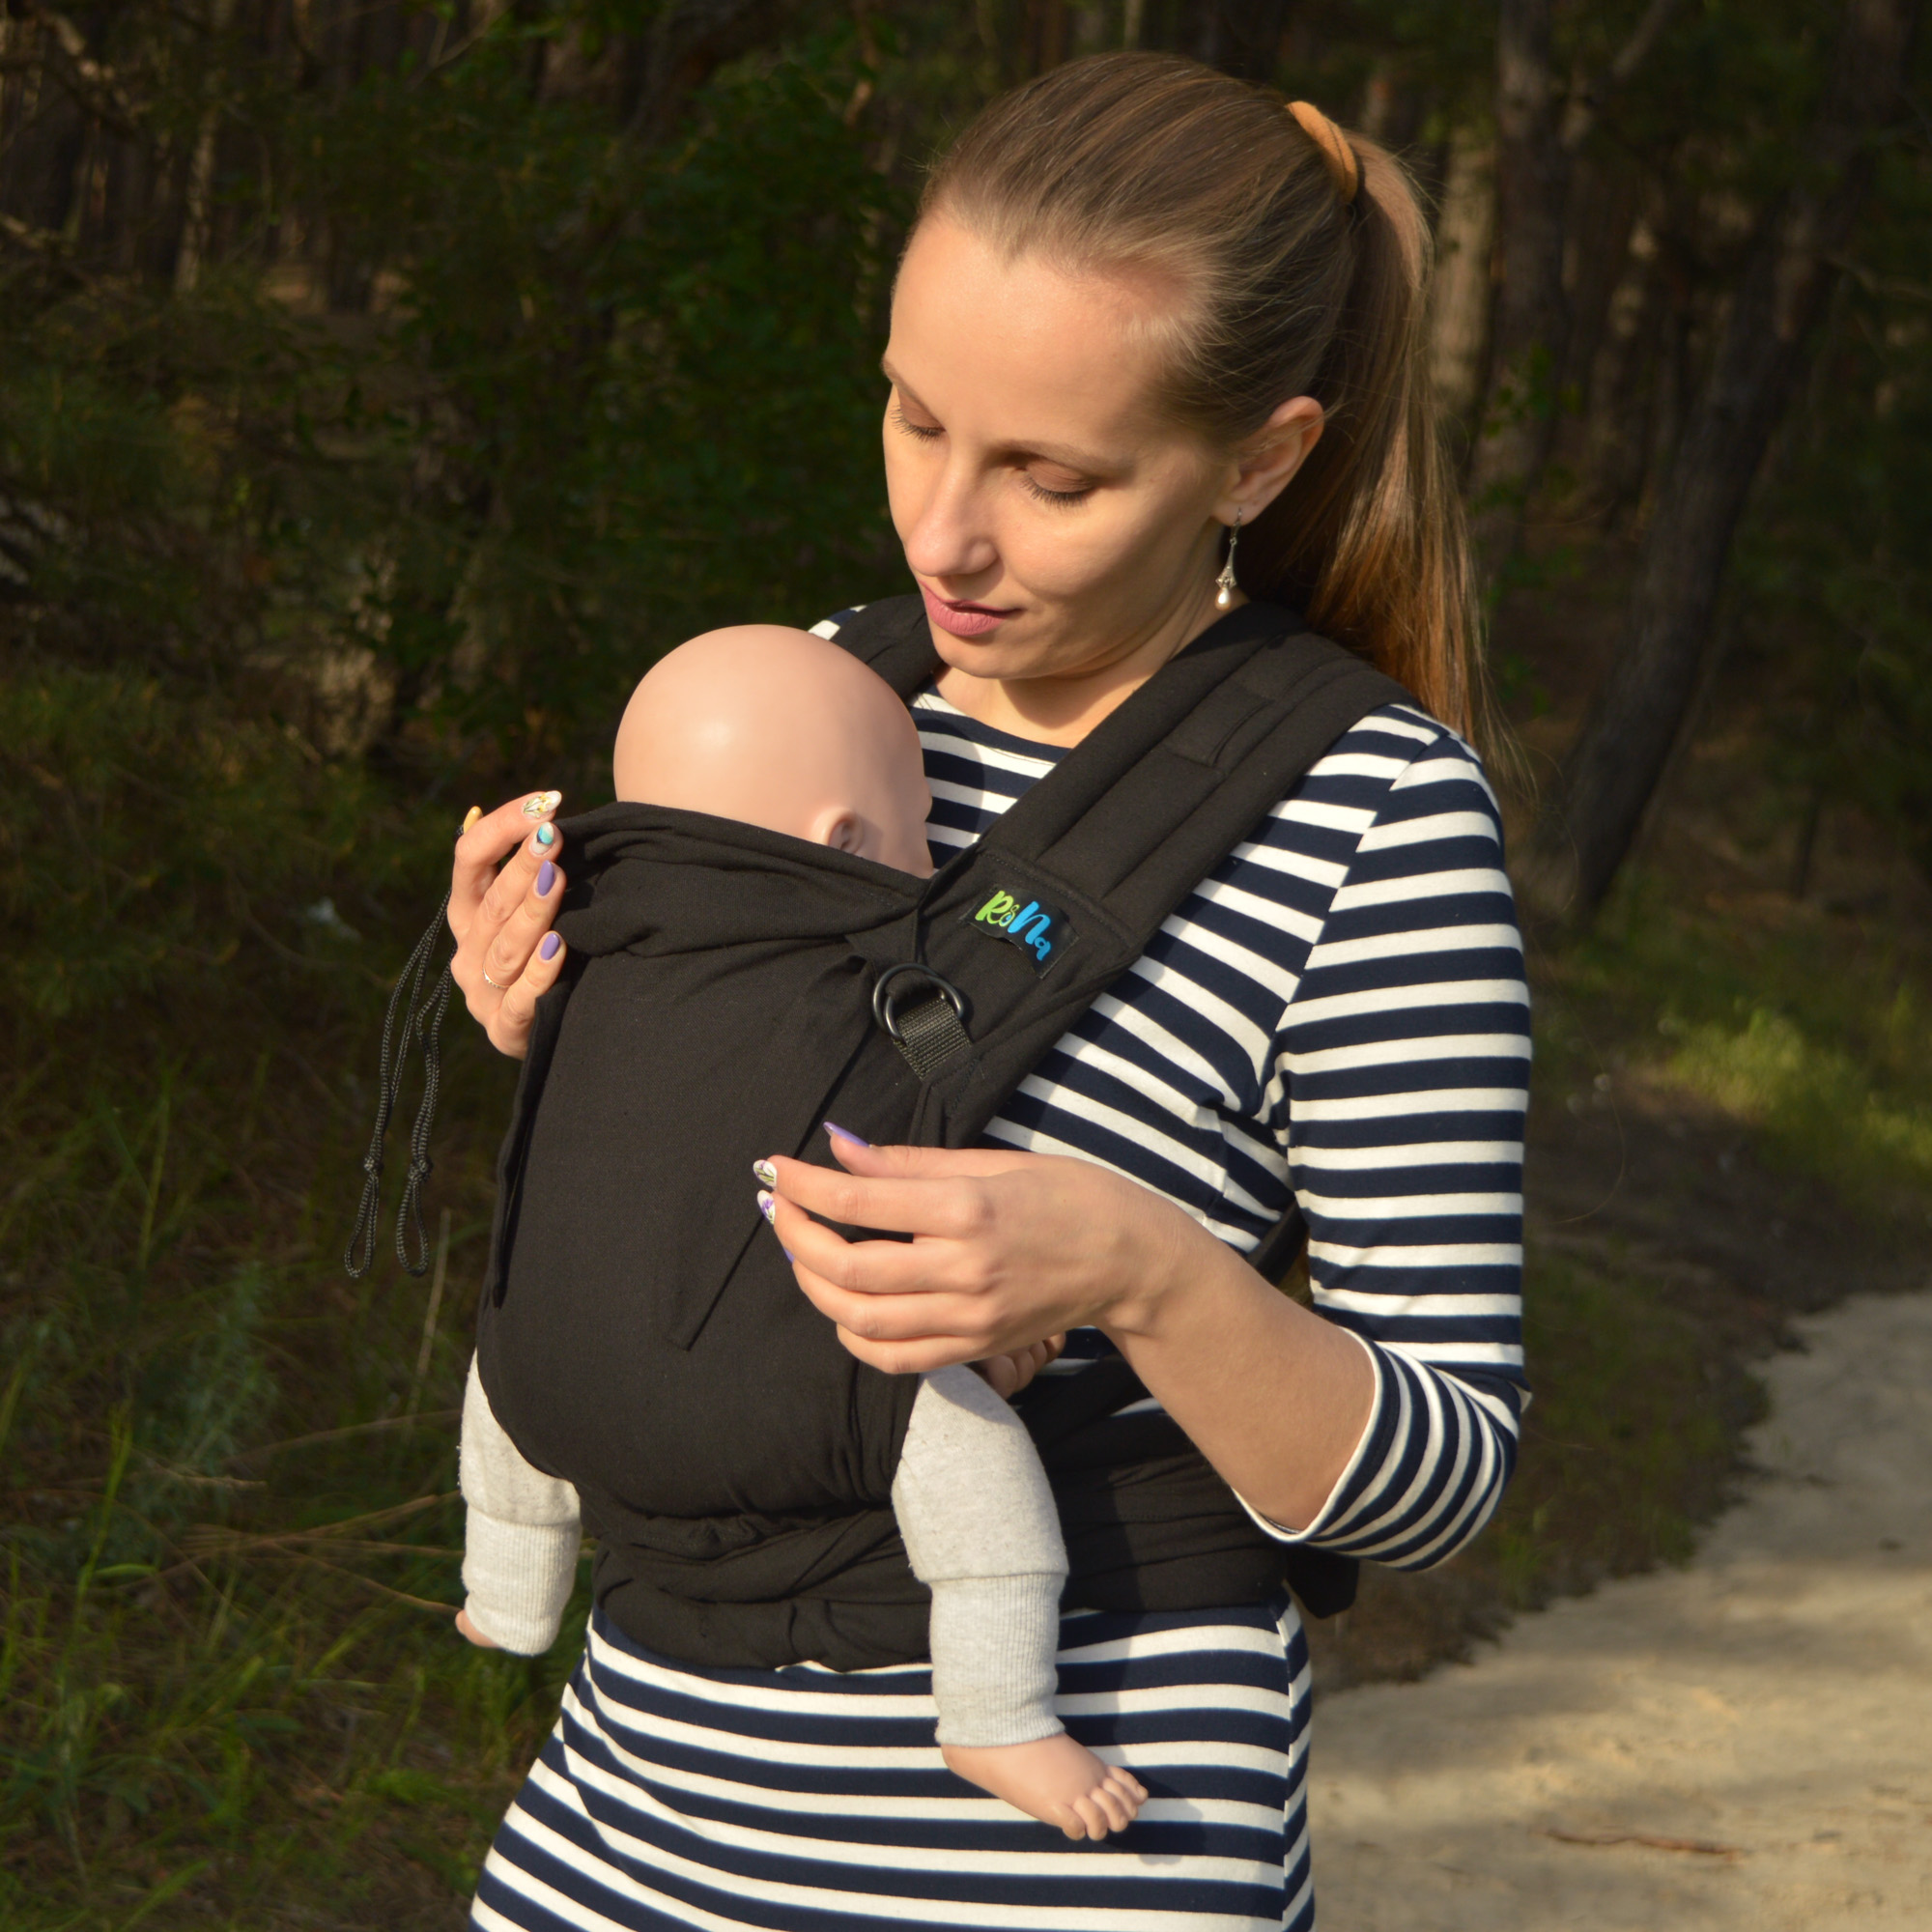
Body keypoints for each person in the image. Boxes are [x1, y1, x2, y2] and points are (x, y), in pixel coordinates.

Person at [445, 52, 1527, 1932]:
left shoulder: (1375, 817)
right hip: (636, 1793)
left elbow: (1438, 1478)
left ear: (1258, 460)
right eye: (915, 417)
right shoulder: (812, 693)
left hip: (1067, 1847)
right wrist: (556, 1015)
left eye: (1051, 476)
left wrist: (1138, 1269)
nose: (944, 534)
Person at [453, 622, 1147, 1839]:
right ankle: (995, 1713)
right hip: (803, 1386)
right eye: (921, 827)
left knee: (508, 1356)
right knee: (985, 1497)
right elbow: (939, 1139)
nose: (932, 855)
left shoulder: (584, 954)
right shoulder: (894, 984)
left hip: (544, 1379)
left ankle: (506, 1591)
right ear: (843, 838)